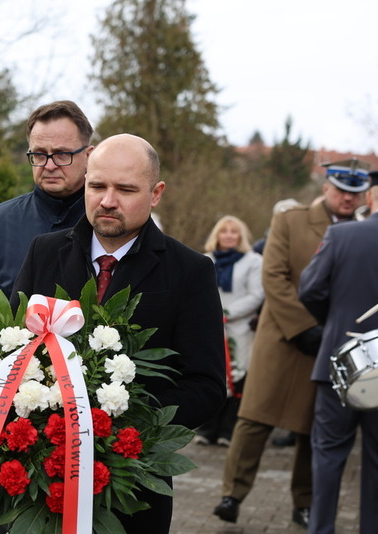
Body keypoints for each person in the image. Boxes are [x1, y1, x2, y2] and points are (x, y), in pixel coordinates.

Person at [12, 133, 226, 534]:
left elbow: (207, 387)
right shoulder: (44, 251)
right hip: (39, 488)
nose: (108, 200)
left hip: (129, 495)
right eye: (97, 186)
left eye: (125, 189)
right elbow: (10, 352)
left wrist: (115, 422)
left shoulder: (190, 271)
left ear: (156, 193)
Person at [213, 158, 370, 527]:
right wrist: (301, 327)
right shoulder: (291, 220)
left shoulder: (363, 230)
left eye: (354, 192)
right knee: (253, 419)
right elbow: (274, 277)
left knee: (309, 427)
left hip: (329, 341)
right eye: (341, 190)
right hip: (282, 336)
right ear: (326, 188)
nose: (347, 198)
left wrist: (326, 330)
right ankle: (230, 495)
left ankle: (304, 502)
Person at [299, 169, 378, 534]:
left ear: (369, 198)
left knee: (328, 457)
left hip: (338, 362)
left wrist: (333, 323)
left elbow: (310, 290)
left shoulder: (340, 234)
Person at [0, 100, 93, 316]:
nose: (49, 166)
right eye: (40, 154)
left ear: (89, 156)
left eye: (62, 154)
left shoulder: (108, 221)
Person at [194, 215, 263, 447]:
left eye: (234, 232)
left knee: (237, 376)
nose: (229, 236)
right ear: (217, 235)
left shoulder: (253, 261)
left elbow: (256, 294)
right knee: (212, 374)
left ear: (241, 236)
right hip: (211, 327)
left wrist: (227, 312)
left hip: (239, 328)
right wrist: (212, 315)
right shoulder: (206, 260)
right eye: (225, 231)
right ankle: (207, 428)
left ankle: (227, 430)